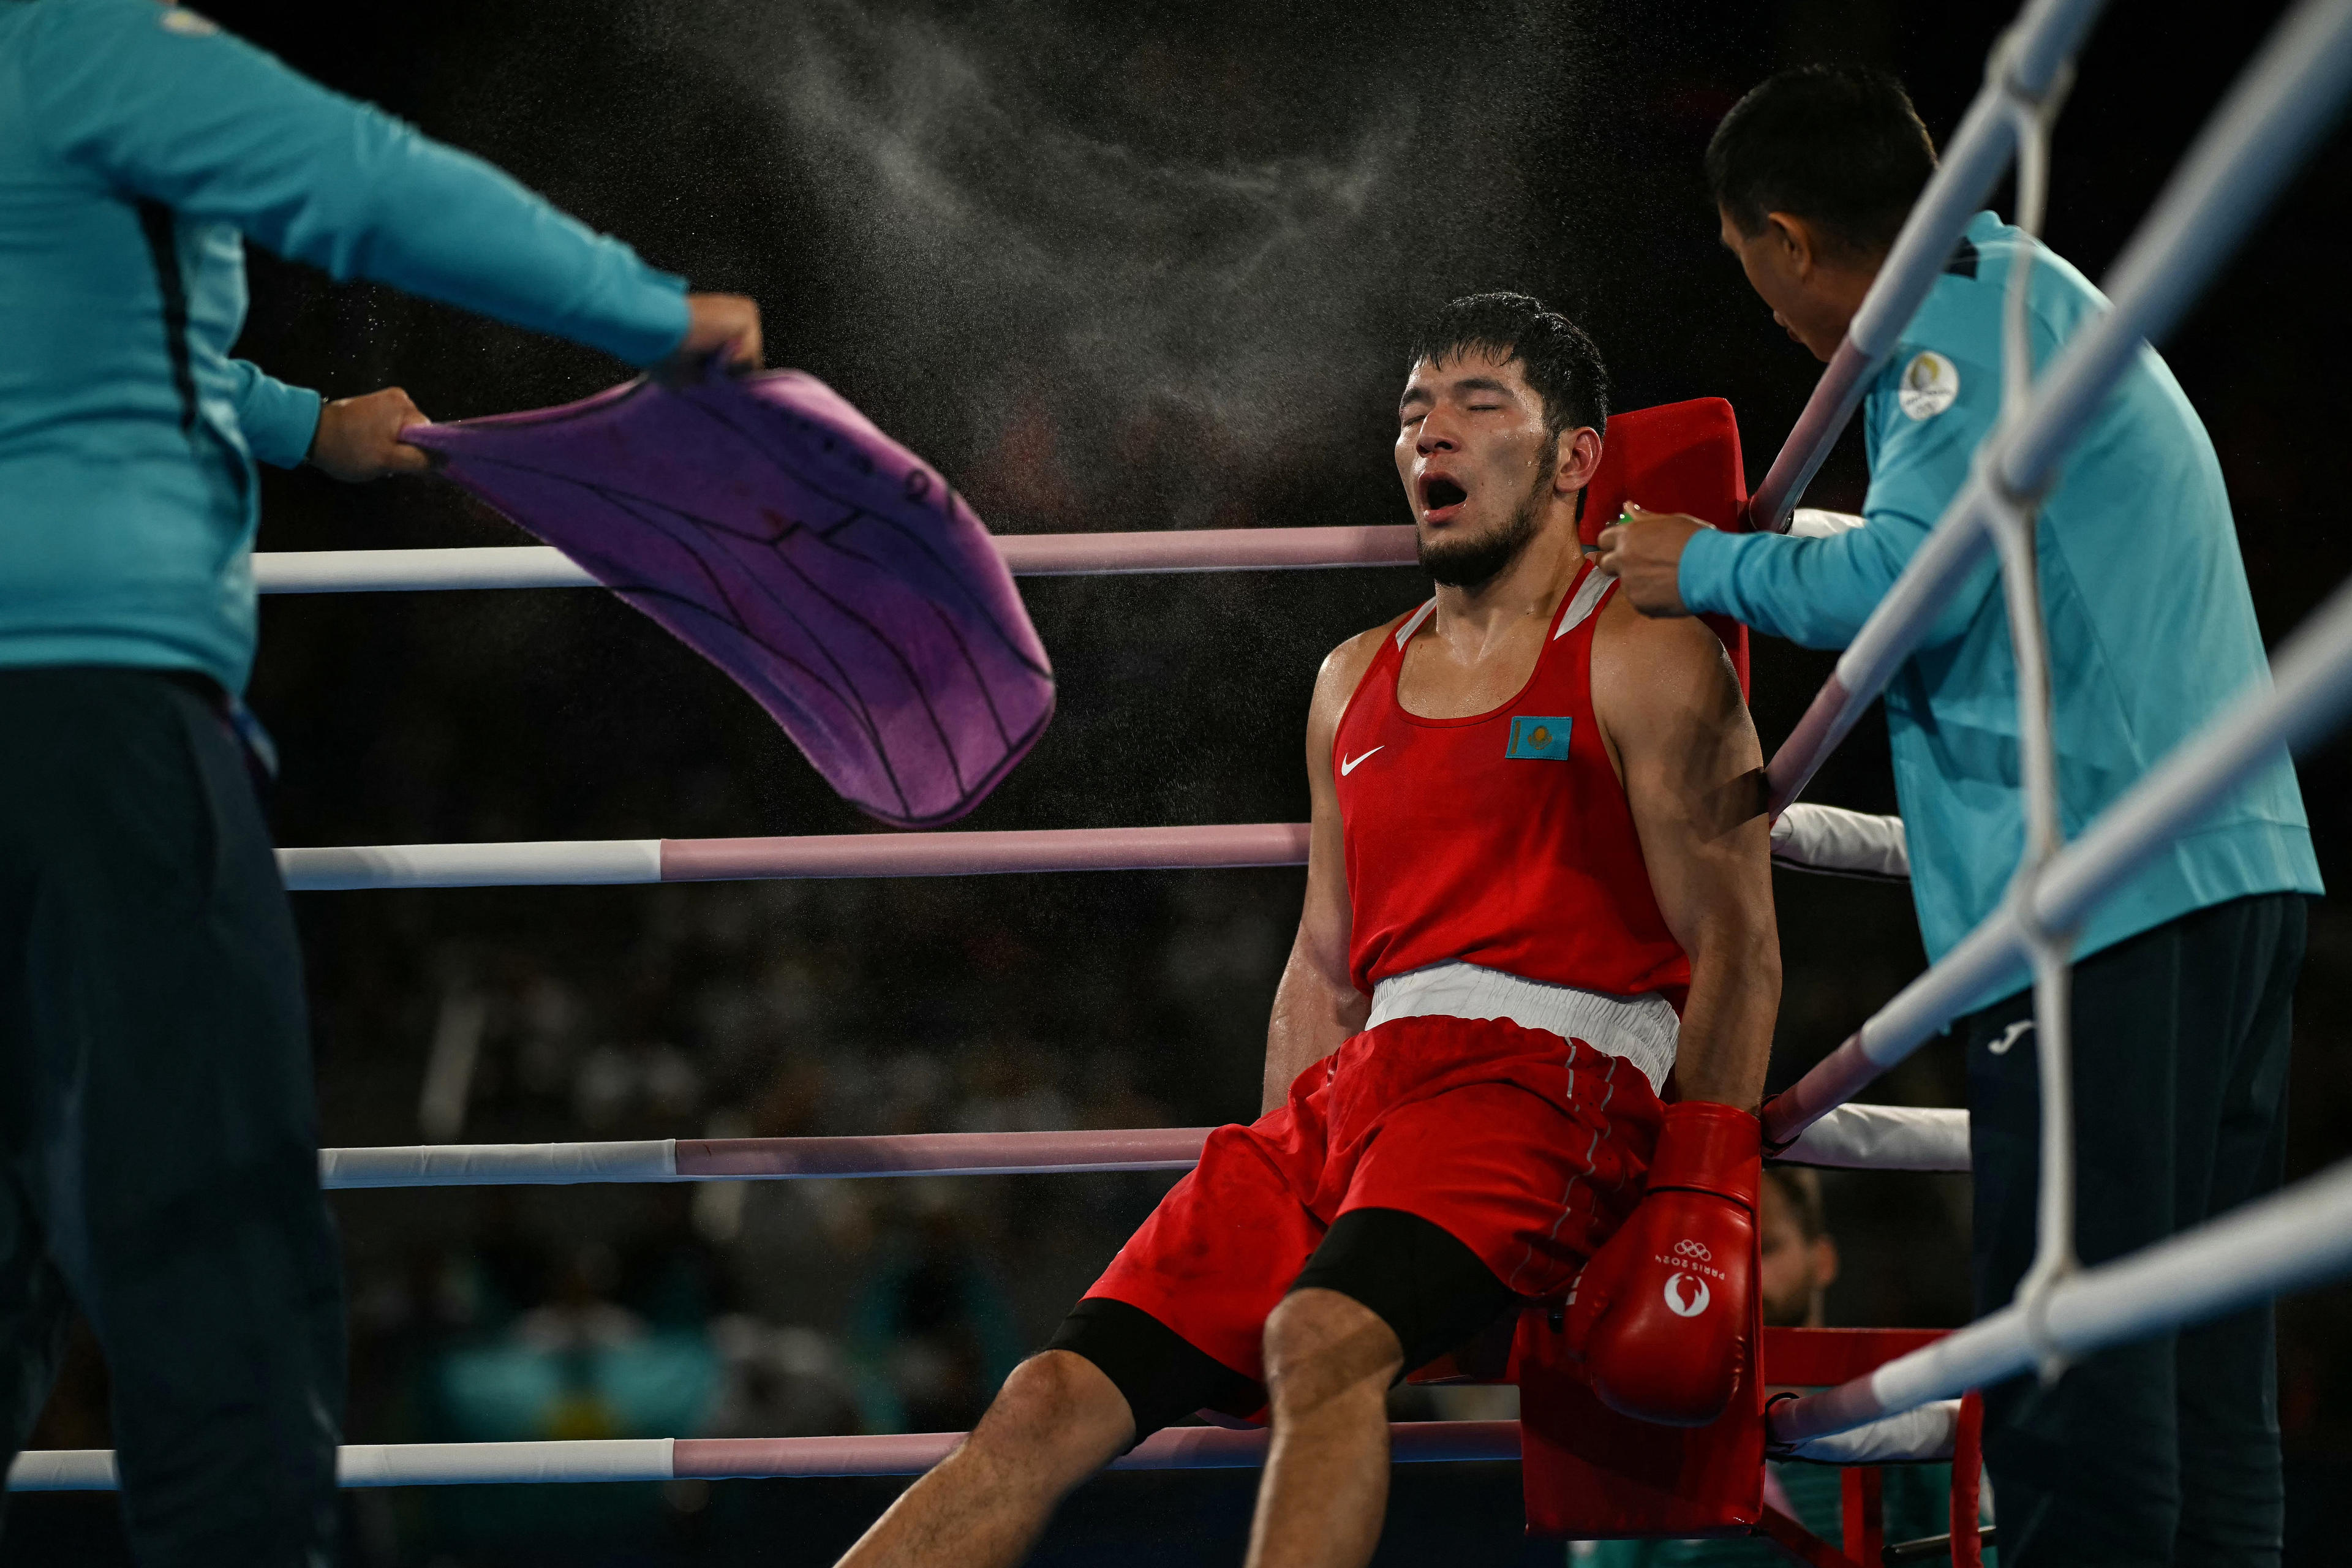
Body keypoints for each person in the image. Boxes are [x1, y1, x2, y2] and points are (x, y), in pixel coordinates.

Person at [827, 292, 1780, 1568]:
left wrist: (1698, 1192)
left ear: (1574, 457)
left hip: (1546, 1082)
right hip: (1356, 1100)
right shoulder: (1350, 677)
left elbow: (1740, 943)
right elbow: (1327, 958)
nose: (1431, 433)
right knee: (1044, 1399)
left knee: (1322, 1333)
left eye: (1477, 403)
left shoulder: (1645, 655)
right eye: (1412, 411)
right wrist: (1293, 1158)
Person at [0, 1, 760, 1561]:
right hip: (83, 719)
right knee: (215, 1248)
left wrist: (301, 423)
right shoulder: (76, 43)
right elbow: (361, 179)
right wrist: (643, 316)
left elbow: (66, 323)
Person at [1592, 64, 2319, 1568]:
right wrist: (1769, 529)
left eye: (1748, 269)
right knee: (2191, 1356)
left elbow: (1913, 580)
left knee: (2068, 1346)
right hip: (2226, 866)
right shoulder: (2020, 295)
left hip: (2104, 888)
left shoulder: (1937, 336)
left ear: (1787, 240)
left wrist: (1699, 567)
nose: (1766, 309)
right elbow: (1940, 541)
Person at [1577, 1167, 1985, 1566]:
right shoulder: (1647, 1441)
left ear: (1822, 1259)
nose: (1740, 1272)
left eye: (1765, 1247)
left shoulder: (1901, 1410)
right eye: (1718, 1252)